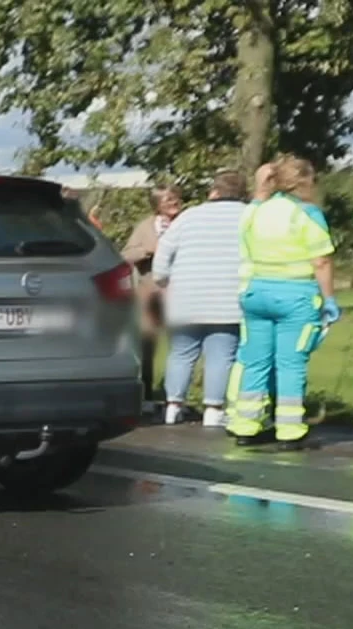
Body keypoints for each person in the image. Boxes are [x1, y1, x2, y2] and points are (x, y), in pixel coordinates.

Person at [230, 155, 339, 449]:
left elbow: (244, 233)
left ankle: (245, 425)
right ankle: (289, 430)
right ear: (306, 181)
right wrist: (329, 298)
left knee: (255, 362)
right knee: (291, 364)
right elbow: (321, 259)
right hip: (296, 296)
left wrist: (260, 188)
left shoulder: (255, 211)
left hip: (255, 294)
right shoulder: (308, 214)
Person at [152, 170, 249, 427]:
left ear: (213, 191)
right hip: (228, 299)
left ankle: (173, 406)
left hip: (185, 297)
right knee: (221, 355)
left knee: (181, 353)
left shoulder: (188, 216)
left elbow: (163, 257)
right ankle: (213, 409)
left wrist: (163, 280)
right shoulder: (249, 216)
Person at [123, 186, 185, 407]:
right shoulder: (145, 226)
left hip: (179, 290)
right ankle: (147, 392)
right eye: (168, 199)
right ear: (157, 204)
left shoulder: (187, 221)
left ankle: (175, 395)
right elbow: (126, 255)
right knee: (147, 343)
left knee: (181, 344)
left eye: (176, 197)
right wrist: (148, 250)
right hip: (149, 290)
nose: (174, 202)